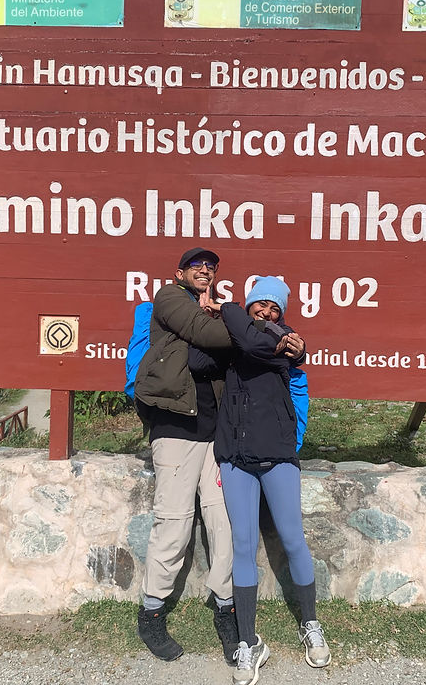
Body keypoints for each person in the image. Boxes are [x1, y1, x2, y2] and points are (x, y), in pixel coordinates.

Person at [214, 276, 331, 685]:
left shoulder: (284, 342)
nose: (266, 311)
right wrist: (223, 315)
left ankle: (311, 624)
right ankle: (248, 643)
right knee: (243, 547)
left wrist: (225, 308)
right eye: (260, 304)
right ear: (249, 306)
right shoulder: (231, 341)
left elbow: (268, 346)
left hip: (278, 455)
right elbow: (206, 359)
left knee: (293, 539)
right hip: (235, 458)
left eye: (275, 307)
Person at [133, 246, 239, 664]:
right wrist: (233, 319)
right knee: (174, 524)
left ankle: (226, 605)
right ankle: (152, 610)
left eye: (211, 267)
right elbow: (213, 339)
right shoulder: (169, 298)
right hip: (176, 429)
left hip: (215, 435)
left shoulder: (208, 311)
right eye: (197, 266)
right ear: (180, 273)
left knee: (223, 521)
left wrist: (223, 320)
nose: (206, 270)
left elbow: (219, 348)